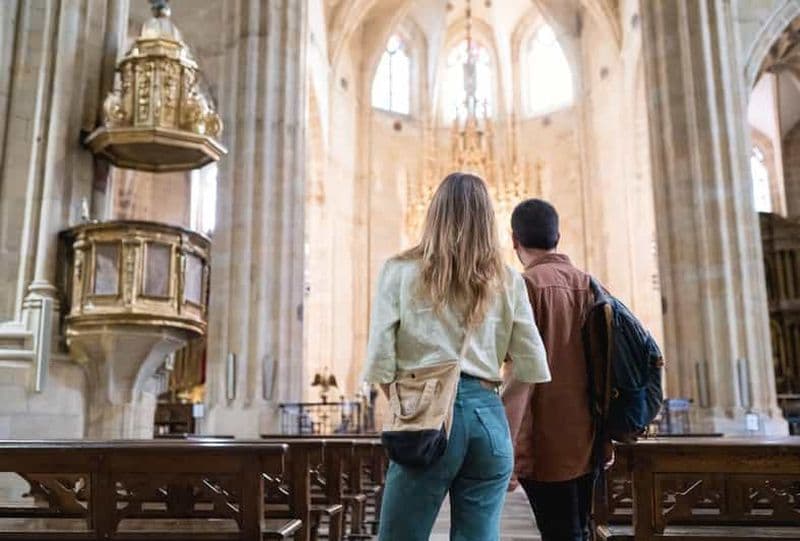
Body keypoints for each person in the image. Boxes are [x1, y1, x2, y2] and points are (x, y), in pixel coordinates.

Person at [362, 173, 551, 541]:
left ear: (433, 213)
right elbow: (529, 368)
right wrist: (505, 433)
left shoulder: (400, 271)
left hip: (426, 416)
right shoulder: (510, 280)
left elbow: (380, 364)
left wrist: (413, 410)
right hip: (489, 417)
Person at [502, 198, 608, 541]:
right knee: (576, 530)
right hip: (588, 436)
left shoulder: (524, 287)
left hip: (545, 442)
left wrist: (509, 452)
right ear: (558, 236)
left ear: (514, 240)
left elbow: (519, 376)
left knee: (560, 532)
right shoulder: (588, 284)